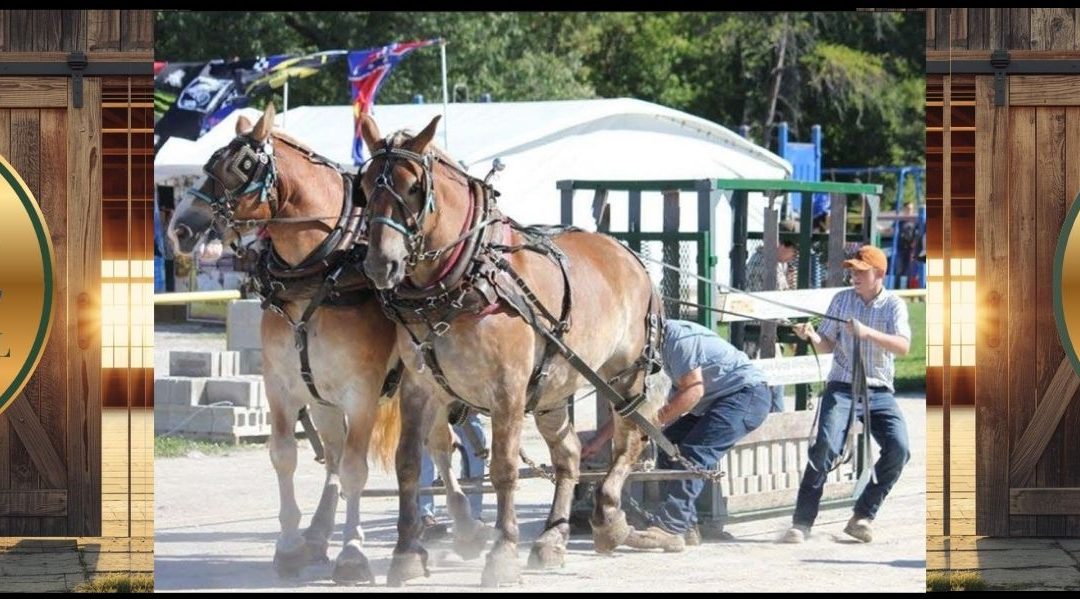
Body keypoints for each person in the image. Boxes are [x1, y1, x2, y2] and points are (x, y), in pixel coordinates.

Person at [581, 319, 771, 548]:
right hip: (721, 400)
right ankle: (687, 525)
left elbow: (694, 390)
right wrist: (599, 440)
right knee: (668, 443)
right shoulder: (660, 350)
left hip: (746, 396)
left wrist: (655, 423)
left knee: (694, 453)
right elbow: (639, 408)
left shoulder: (678, 341)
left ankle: (670, 527)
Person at [780, 245, 912, 544]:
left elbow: (903, 347)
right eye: (852, 271)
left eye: (861, 271)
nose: (854, 276)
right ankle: (802, 522)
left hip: (878, 390)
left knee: (899, 449)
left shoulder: (894, 305)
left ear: (879, 274)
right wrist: (812, 336)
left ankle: (862, 515)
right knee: (825, 445)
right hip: (841, 387)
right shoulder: (841, 300)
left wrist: (868, 333)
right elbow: (827, 344)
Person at [744, 238, 798, 412]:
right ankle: (776, 428)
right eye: (793, 252)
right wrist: (793, 330)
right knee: (773, 384)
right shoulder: (769, 266)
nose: (793, 257)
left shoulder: (760, 259)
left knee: (769, 385)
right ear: (782, 245)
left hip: (756, 330)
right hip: (759, 333)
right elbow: (778, 304)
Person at [418, 412, 487, 541]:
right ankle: (424, 515)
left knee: (476, 440)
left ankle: (473, 513)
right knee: (423, 448)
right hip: (431, 412)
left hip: (462, 413)